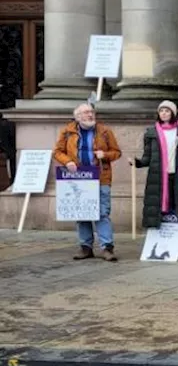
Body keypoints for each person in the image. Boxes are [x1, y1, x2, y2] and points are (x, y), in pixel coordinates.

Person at [133, 100, 178, 261]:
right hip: (160, 178)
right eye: (161, 111)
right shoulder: (151, 133)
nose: (164, 113)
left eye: (167, 111)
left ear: (173, 113)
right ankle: (166, 247)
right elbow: (147, 157)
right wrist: (137, 163)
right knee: (162, 212)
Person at [54, 103, 122, 261]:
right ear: (77, 116)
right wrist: (67, 162)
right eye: (86, 113)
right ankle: (86, 247)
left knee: (102, 213)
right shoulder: (67, 131)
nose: (90, 115)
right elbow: (57, 152)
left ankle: (107, 248)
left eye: (91, 112)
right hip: (78, 177)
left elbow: (117, 152)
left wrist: (104, 154)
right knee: (82, 213)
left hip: (100, 177)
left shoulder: (105, 131)